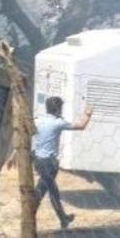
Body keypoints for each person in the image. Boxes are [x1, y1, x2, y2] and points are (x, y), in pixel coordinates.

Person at [31, 96, 93, 229]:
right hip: (50, 163)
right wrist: (87, 115)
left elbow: (26, 133)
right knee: (48, 191)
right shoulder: (58, 123)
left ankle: (62, 218)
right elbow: (81, 126)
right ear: (58, 108)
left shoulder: (37, 120)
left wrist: (14, 153)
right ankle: (33, 218)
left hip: (37, 161)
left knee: (46, 189)